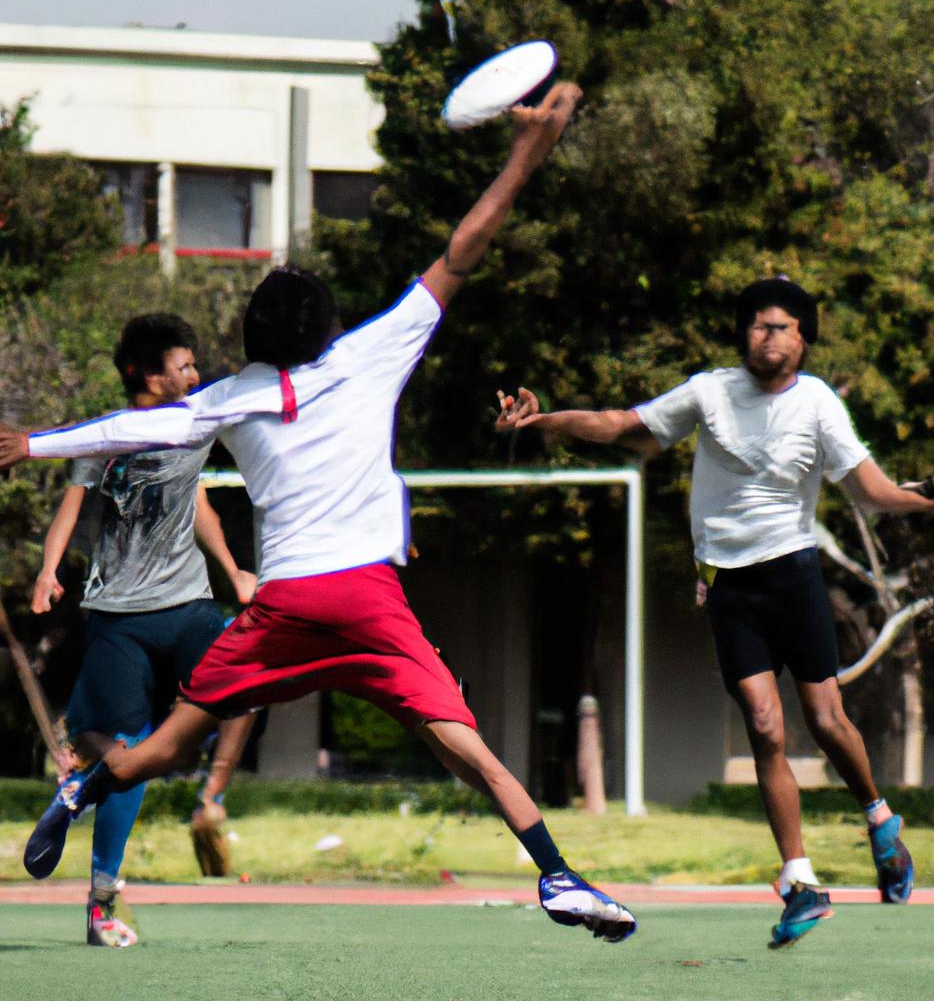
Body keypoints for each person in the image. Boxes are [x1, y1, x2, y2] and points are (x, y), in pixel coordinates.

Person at [0, 84, 637, 944]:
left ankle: (79, 788)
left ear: (252, 338)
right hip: (370, 601)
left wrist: (31, 443)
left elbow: (128, 427)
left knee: (163, 748)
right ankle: (558, 876)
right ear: (330, 326)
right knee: (469, 751)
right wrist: (528, 152)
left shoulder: (226, 398)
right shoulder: (373, 352)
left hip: (287, 605)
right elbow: (465, 246)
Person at [495, 276, 934, 948]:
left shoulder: (818, 405)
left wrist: (926, 502)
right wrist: (542, 420)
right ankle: (801, 882)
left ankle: (879, 817)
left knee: (828, 721)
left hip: (794, 578)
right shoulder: (710, 391)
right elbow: (626, 427)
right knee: (763, 726)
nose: (768, 335)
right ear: (742, 335)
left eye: (782, 326)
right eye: (757, 325)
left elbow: (868, 491)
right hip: (729, 587)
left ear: (803, 339)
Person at [29, 312, 259, 947]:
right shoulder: (107, 437)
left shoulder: (194, 425)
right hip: (120, 615)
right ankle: (102, 906)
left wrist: (235, 570)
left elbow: (200, 503)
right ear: (147, 377)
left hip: (188, 605)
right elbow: (70, 510)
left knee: (242, 685)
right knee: (129, 756)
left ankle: (176, 795)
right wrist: (49, 572)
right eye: (182, 366)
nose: (194, 374)